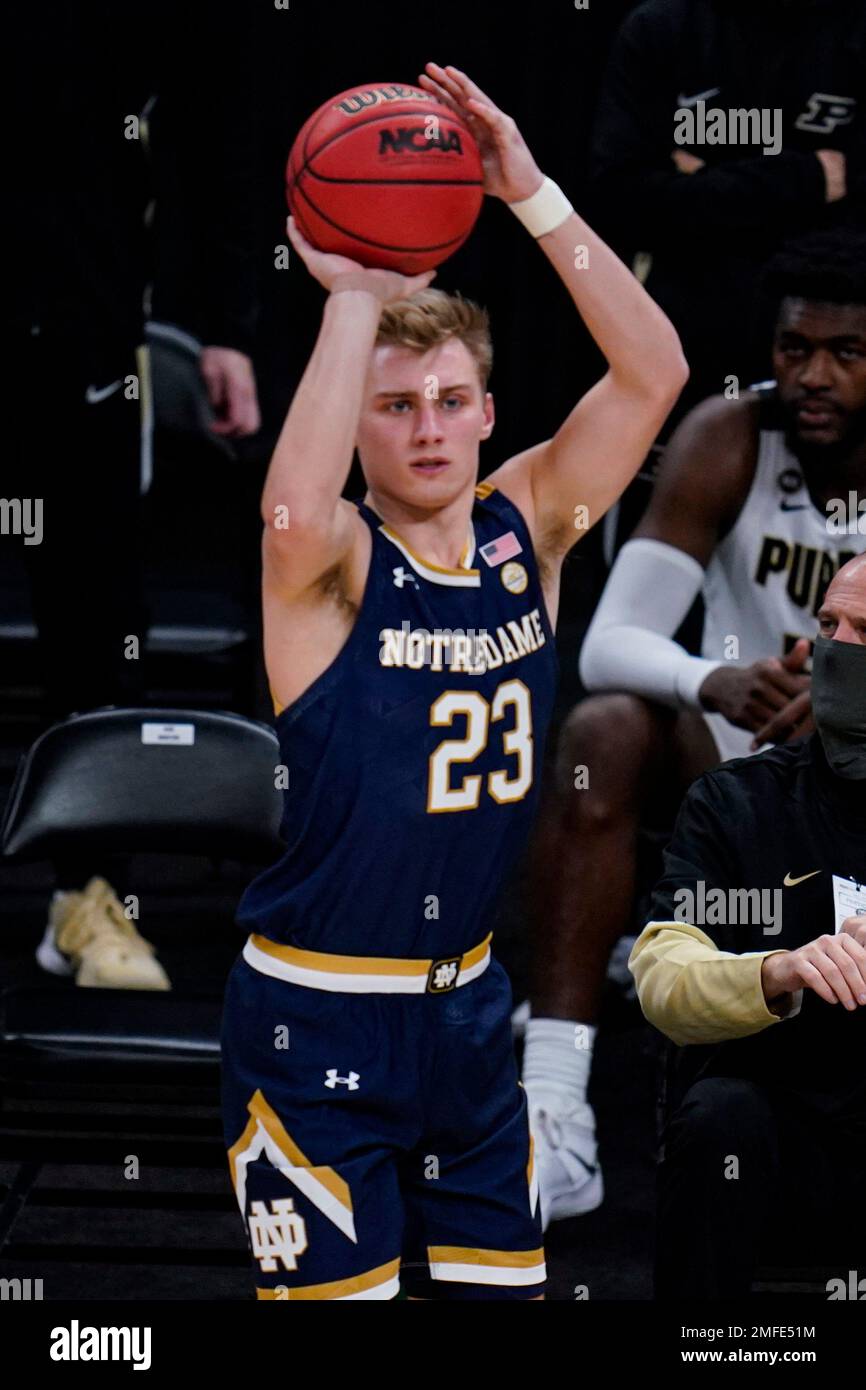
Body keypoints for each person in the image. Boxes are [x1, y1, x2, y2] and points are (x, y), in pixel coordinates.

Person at [219, 62, 687, 1301]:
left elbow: (654, 374)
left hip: (473, 1013)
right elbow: (286, 506)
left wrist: (528, 192)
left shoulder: (523, 528)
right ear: (356, 423)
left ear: (488, 412)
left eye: (451, 400)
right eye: (393, 406)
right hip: (314, 1013)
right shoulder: (322, 566)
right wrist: (351, 302)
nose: (426, 425)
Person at [520, 228, 866, 1228]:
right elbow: (606, 641)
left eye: (844, 353)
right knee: (603, 729)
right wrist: (709, 678)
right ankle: (553, 1098)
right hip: (738, 764)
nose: (811, 374)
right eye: (793, 347)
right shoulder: (725, 437)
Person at [4, 1, 262, 990]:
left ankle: (85, 897)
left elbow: (210, 137)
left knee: (97, 615)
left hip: (78, 314)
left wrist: (221, 325)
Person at [629, 553, 866, 1299]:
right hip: (785, 1148)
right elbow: (663, 974)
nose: (838, 647)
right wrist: (774, 971)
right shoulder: (738, 804)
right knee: (720, 1116)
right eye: (829, 624)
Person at [589, 0, 866, 419]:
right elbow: (620, 201)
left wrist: (704, 182)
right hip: (686, 349)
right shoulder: (662, 29)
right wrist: (808, 178)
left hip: (833, 352)